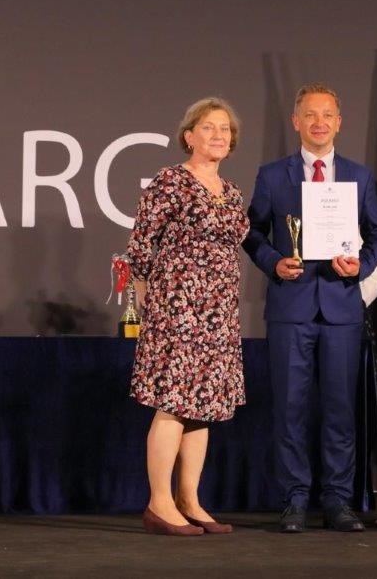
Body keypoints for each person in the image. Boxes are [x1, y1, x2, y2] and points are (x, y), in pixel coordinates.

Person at [244, 83, 377, 533]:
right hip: (291, 307)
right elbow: (252, 232)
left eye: (327, 114)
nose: (319, 122)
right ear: (296, 121)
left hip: (342, 308)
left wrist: (360, 266)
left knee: (340, 411)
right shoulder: (273, 176)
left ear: (339, 122)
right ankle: (293, 500)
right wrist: (274, 261)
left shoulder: (359, 176)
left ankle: (338, 501)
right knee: (289, 410)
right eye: (310, 114)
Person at [127, 97, 249, 536]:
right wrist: (153, 301)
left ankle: (189, 500)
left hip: (219, 311)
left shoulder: (232, 191)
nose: (218, 135)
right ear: (189, 136)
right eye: (208, 127)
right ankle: (159, 503)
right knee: (174, 403)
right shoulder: (170, 182)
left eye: (224, 129)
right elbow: (141, 244)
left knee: (204, 408)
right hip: (177, 308)